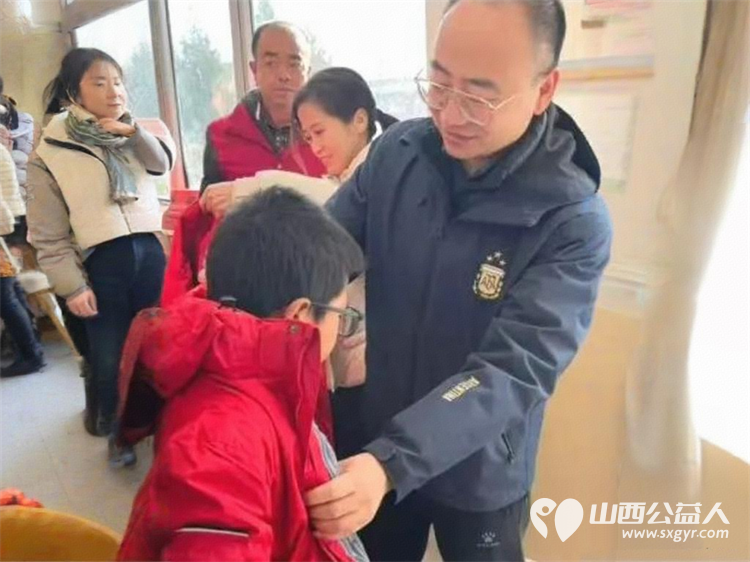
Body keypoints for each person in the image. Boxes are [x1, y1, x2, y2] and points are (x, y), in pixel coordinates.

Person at [307, 1, 613, 560]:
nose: (449, 114)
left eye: (478, 97)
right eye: (440, 85)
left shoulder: (572, 220)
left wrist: (392, 462)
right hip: (378, 435)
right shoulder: (397, 155)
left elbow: (512, 370)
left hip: (481, 468)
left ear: (544, 89)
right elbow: (325, 245)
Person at [116, 188, 367, 562]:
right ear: (300, 315)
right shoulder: (222, 446)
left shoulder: (255, 374)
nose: (341, 328)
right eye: (341, 315)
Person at [26, 48, 175, 467]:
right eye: (99, 82)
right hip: (101, 262)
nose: (114, 92)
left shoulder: (131, 135)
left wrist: (134, 133)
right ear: (74, 93)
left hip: (150, 252)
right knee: (109, 357)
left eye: (118, 81)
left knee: (157, 349)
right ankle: (117, 433)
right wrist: (72, 286)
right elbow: (48, 234)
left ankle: (159, 423)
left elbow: (161, 164)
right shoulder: (50, 152)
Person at [161, 22, 325, 306]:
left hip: (314, 285)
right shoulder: (222, 136)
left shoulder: (328, 134)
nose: (284, 74)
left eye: (294, 63)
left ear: (308, 71)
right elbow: (209, 211)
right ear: (254, 69)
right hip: (247, 289)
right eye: (271, 62)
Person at [293, 67, 396, 422]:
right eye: (308, 137)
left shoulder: (382, 176)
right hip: (349, 354)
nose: (315, 147)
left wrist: (245, 189)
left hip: (372, 361)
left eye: (320, 131)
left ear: (360, 120)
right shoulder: (341, 181)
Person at [1, 143, 44, 378]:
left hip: (5, 227)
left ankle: (30, 355)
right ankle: (30, 350)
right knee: (11, 292)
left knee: (5, 296)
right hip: (10, 224)